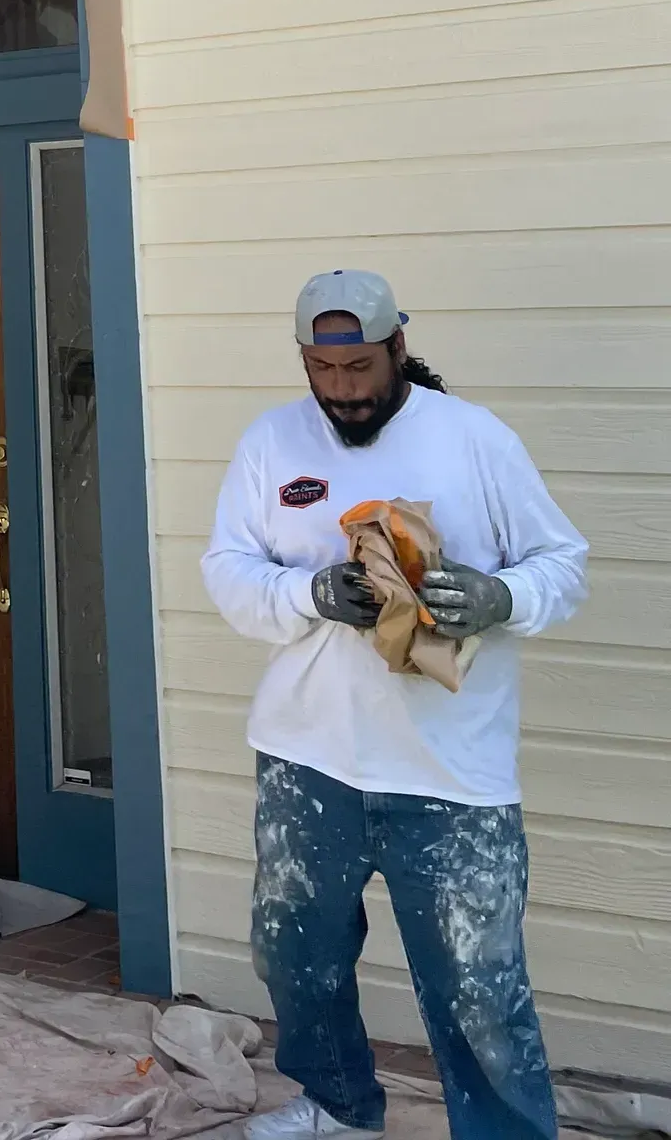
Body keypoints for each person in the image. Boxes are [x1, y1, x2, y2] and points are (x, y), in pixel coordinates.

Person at [202, 269, 588, 1140]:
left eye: (361, 369)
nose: (343, 392)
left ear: (398, 350)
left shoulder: (473, 439)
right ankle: (338, 1107)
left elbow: (562, 563)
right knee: (295, 957)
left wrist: (499, 597)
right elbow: (228, 572)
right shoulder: (272, 443)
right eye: (323, 370)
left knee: (478, 988)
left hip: (451, 774)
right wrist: (310, 594)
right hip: (308, 759)